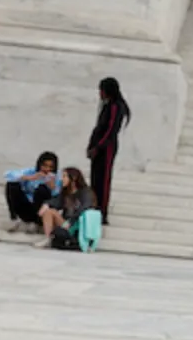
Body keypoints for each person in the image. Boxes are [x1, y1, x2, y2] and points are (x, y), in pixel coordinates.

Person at [87, 79, 130, 219]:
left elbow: (111, 130)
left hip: (107, 148)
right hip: (98, 146)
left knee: (103, 179)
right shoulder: (107, 106)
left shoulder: (116, 107)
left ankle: (102, 211)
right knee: (95, 177)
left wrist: (98, 146)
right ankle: (94, 205)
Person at [4, 152, 63, 231]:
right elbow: (8, 175)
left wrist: (53, 187)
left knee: (42, 189)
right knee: (12, 185)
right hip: (27, 205)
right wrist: (29, 178)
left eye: (50, 167)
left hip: (42, 209)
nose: (47, 169)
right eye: (44, 166)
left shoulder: (57, 176)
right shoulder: (32, 172)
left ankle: (37, 222)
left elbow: (58, 197)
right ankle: (14, 218)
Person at [40, 167, 94, 250]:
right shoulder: (66, 192)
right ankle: (48, 238)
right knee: (49, 211)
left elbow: (85, 208)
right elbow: (56, 201)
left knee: (51, 212)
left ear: (74, 178)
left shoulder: (86, 192)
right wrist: (46, 204)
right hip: (66, 223)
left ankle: (50, 239)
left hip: (77, 225)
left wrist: (71, 221)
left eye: (64, 176)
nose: (62, 179)